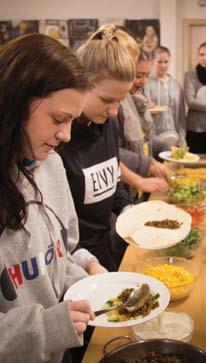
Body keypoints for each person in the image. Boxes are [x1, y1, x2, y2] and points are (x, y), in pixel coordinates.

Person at [0, 33, 108, 363]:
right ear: (14, 105)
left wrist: (86, 280)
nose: (66, 136)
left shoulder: (51, 165)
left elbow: (59, 255)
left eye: (72, 121)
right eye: (59, 119)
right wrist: (46, 328)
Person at [59, 24, 135, 272]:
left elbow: (113, 181)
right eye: (107, 100)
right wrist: (87, 264)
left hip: (107, 247)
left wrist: (128, 209)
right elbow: (57, 226)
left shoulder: (108, 123)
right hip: (75, 262)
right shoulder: (59, 139)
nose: (114, 111)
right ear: (81, 84)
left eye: (121, 101)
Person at [119, 50, 168, 190]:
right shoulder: (118, 105)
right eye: (139, 76)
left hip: (143, 179)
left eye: (147, 75)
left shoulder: (143, 99)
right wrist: (146, 165)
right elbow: (113, 152)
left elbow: (148, 138)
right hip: (126, 182)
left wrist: (168, 149)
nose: (144, 81)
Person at [148, 46, 186, 147]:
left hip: (174, 139)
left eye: (166, 62)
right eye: (159, 62)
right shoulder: (145, 84)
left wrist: (182, 137)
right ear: (152, 62)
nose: (163, 65)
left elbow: (181, 114)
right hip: (153, 140)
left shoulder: (176, 85)